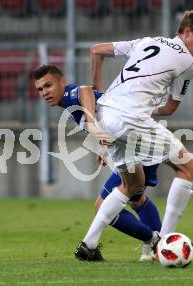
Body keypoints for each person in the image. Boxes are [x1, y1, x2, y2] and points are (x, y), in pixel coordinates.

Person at [75, 10, 193, 261]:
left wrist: (99, 94)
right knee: (188, 167)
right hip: (132, 119)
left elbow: (96, 50)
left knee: (131, 185)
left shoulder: (146, 41)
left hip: (106, 114)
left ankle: (88, 243)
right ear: (186, 31)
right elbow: (170, 108)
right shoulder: (189, 63)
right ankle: (164, 242)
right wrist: (150, 109)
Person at [33, 64, 162, 261]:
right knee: (136, 198)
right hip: (136, 140)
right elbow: (111, 115)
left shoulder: (70, 95)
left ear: (62, 82)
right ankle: (159, 245)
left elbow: (85, 90)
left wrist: (92, 125)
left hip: (139, 143)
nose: (44, 92)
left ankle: (154, 240)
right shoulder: (68, 105)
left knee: (104, 206)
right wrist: (105, 147)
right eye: (40, 89)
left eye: (48, 86)